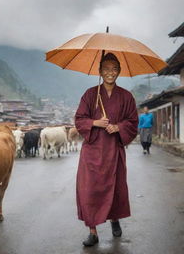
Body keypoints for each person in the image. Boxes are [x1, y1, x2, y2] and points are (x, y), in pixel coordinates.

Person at [75, 53, 138, 247]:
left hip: (114, 151)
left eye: (114, 69)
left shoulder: (126, 96)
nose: (110, 73)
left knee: (115, 188)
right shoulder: (90, 95)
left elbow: (133, 122)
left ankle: (115, 218)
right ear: (100, 71)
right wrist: (95, 122)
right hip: (92, 152)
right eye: (106, 69)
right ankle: (93, 232)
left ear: (119, 71)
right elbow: (79, 119)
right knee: (89, 191)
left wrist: (118, 127)